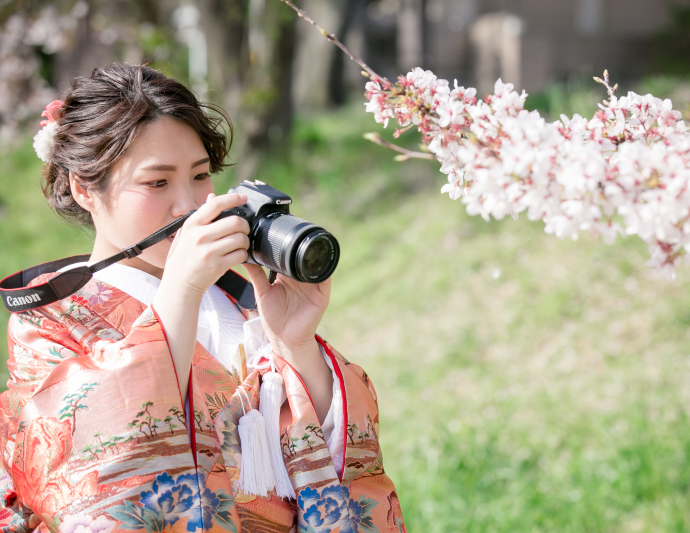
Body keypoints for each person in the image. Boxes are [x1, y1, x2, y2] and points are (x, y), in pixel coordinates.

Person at [0, 62, 406, 533]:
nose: (189, 205)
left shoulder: (239, 300)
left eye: (199, 176)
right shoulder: (50, 323)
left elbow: (335, 457)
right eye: (157, 182)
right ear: (84, 188)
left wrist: (296, 346)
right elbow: (88, 479)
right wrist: (181, 292)